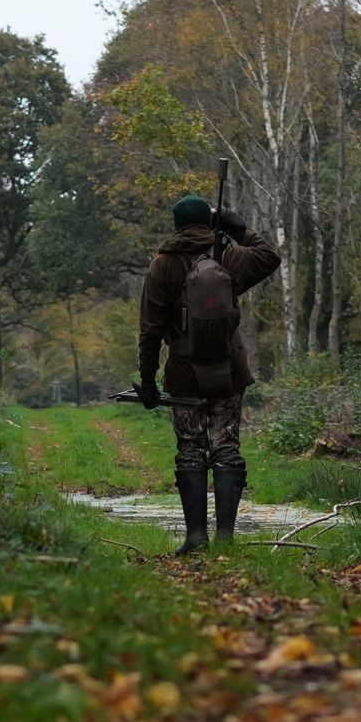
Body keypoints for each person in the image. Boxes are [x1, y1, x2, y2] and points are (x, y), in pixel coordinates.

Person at [137, 193, 281, 553]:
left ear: (177, 224)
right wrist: (239, 228)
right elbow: (269, 258)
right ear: (209, 223)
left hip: (184, 373)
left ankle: (195, 537)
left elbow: (150, 330)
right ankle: (226, 538)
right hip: (229, 370)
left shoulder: (162, 264)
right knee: (227, 447)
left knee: (190, 448)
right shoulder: (228, 256)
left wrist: (148, 380)